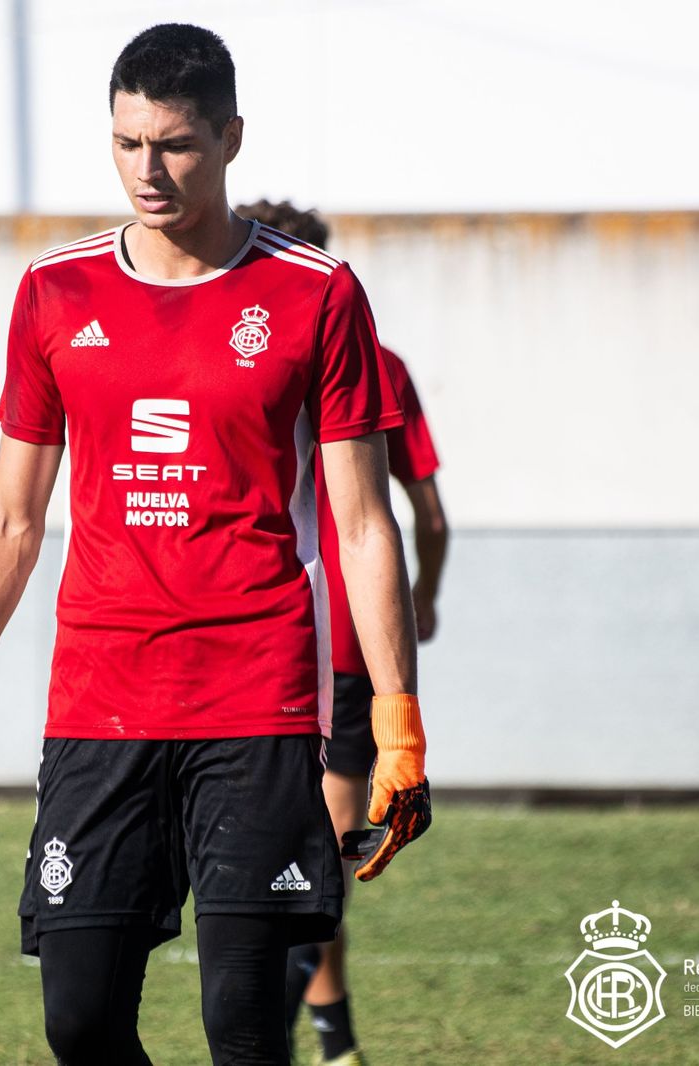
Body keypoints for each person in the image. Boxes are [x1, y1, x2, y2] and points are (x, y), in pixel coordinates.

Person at [0, 25, 432, 1066]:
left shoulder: (316, 293)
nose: (149, 170)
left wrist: (397, 716)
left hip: (257, 698)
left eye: (176, 144)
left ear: (231, 137)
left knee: (245, 1026)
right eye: (128, 142)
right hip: (99, 700)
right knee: (80, 1020)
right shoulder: (55, 293)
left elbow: (365, 525)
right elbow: (12, 517)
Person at [236, 202, 449, 1066]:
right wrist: (423, 597)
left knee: (296, 872)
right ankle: (328, 1044)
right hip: (346, 644)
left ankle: (295, 1044)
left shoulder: (235, 348)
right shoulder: (380, 363)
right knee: (313, 866)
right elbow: (428, 514)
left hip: (262, 635)